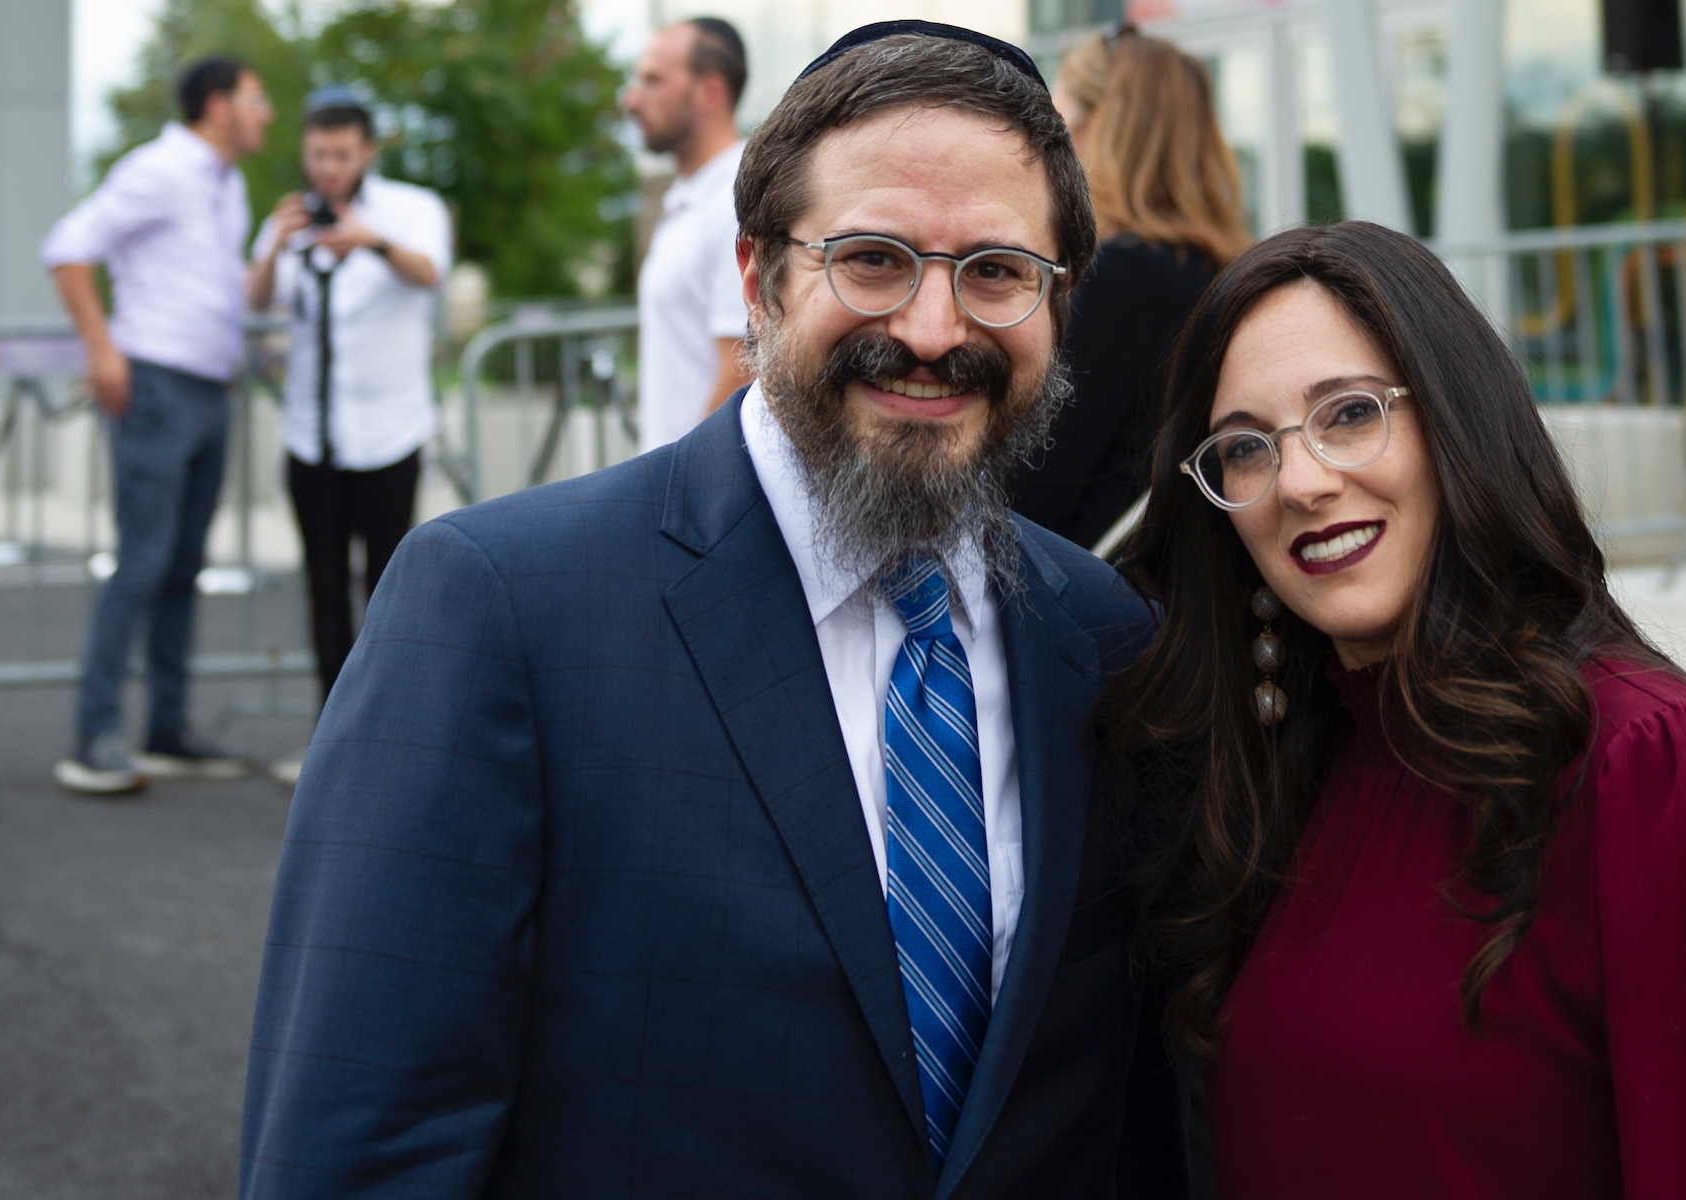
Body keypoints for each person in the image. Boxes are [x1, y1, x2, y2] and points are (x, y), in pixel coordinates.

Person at [240, 22, 1185, 1197]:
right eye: (874, 258)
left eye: (994, 272)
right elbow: (360, 1147)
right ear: (758, 277)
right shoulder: (501, 611)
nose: (936, 331)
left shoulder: (1103, 637)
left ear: (1058, 303)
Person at [1100, 222, 1686, 1198]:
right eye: (1245, 448)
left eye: (1348, 414)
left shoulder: (1647, 765)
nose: (1299, 482)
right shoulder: (1280, 770)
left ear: (1458, 423)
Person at [42, 57, 272, 794]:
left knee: (181, 566)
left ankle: (166, 727)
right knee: (142, 561)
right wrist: (103, 350)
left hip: (209, 387)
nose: (265, 112)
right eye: (254, 99)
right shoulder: (160, 169)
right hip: (156, 384)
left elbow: (212, 284)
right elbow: (69, 247)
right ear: (217, 106)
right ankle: (94, 733)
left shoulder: (227, 185)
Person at [245, 86, 452, 787]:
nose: (327, 168)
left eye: (340, 154)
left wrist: (371, 239)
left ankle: (389, 737)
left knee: (389, 587)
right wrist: (274, 245)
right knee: (322, 591)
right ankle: (329, 740)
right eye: (316, 155)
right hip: (312, 435)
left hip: (388, 432)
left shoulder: (410, 211)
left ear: (367, 151)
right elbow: (256, 299)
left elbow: (430, 274)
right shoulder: (292, 219)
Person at [1009, 26, 1246, 552]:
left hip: (1080, 590)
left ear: (1101, 127)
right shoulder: (1212, 271)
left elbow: (1035, 486)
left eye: (1057, 118)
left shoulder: (1129, 275)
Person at [621, 16, 751, 452]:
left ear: (709, 92)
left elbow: (742, 367)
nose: (630, 99)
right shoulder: (691, 197)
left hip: (699, 492)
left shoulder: (737, 200)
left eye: (653, 80)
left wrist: (682, 486)